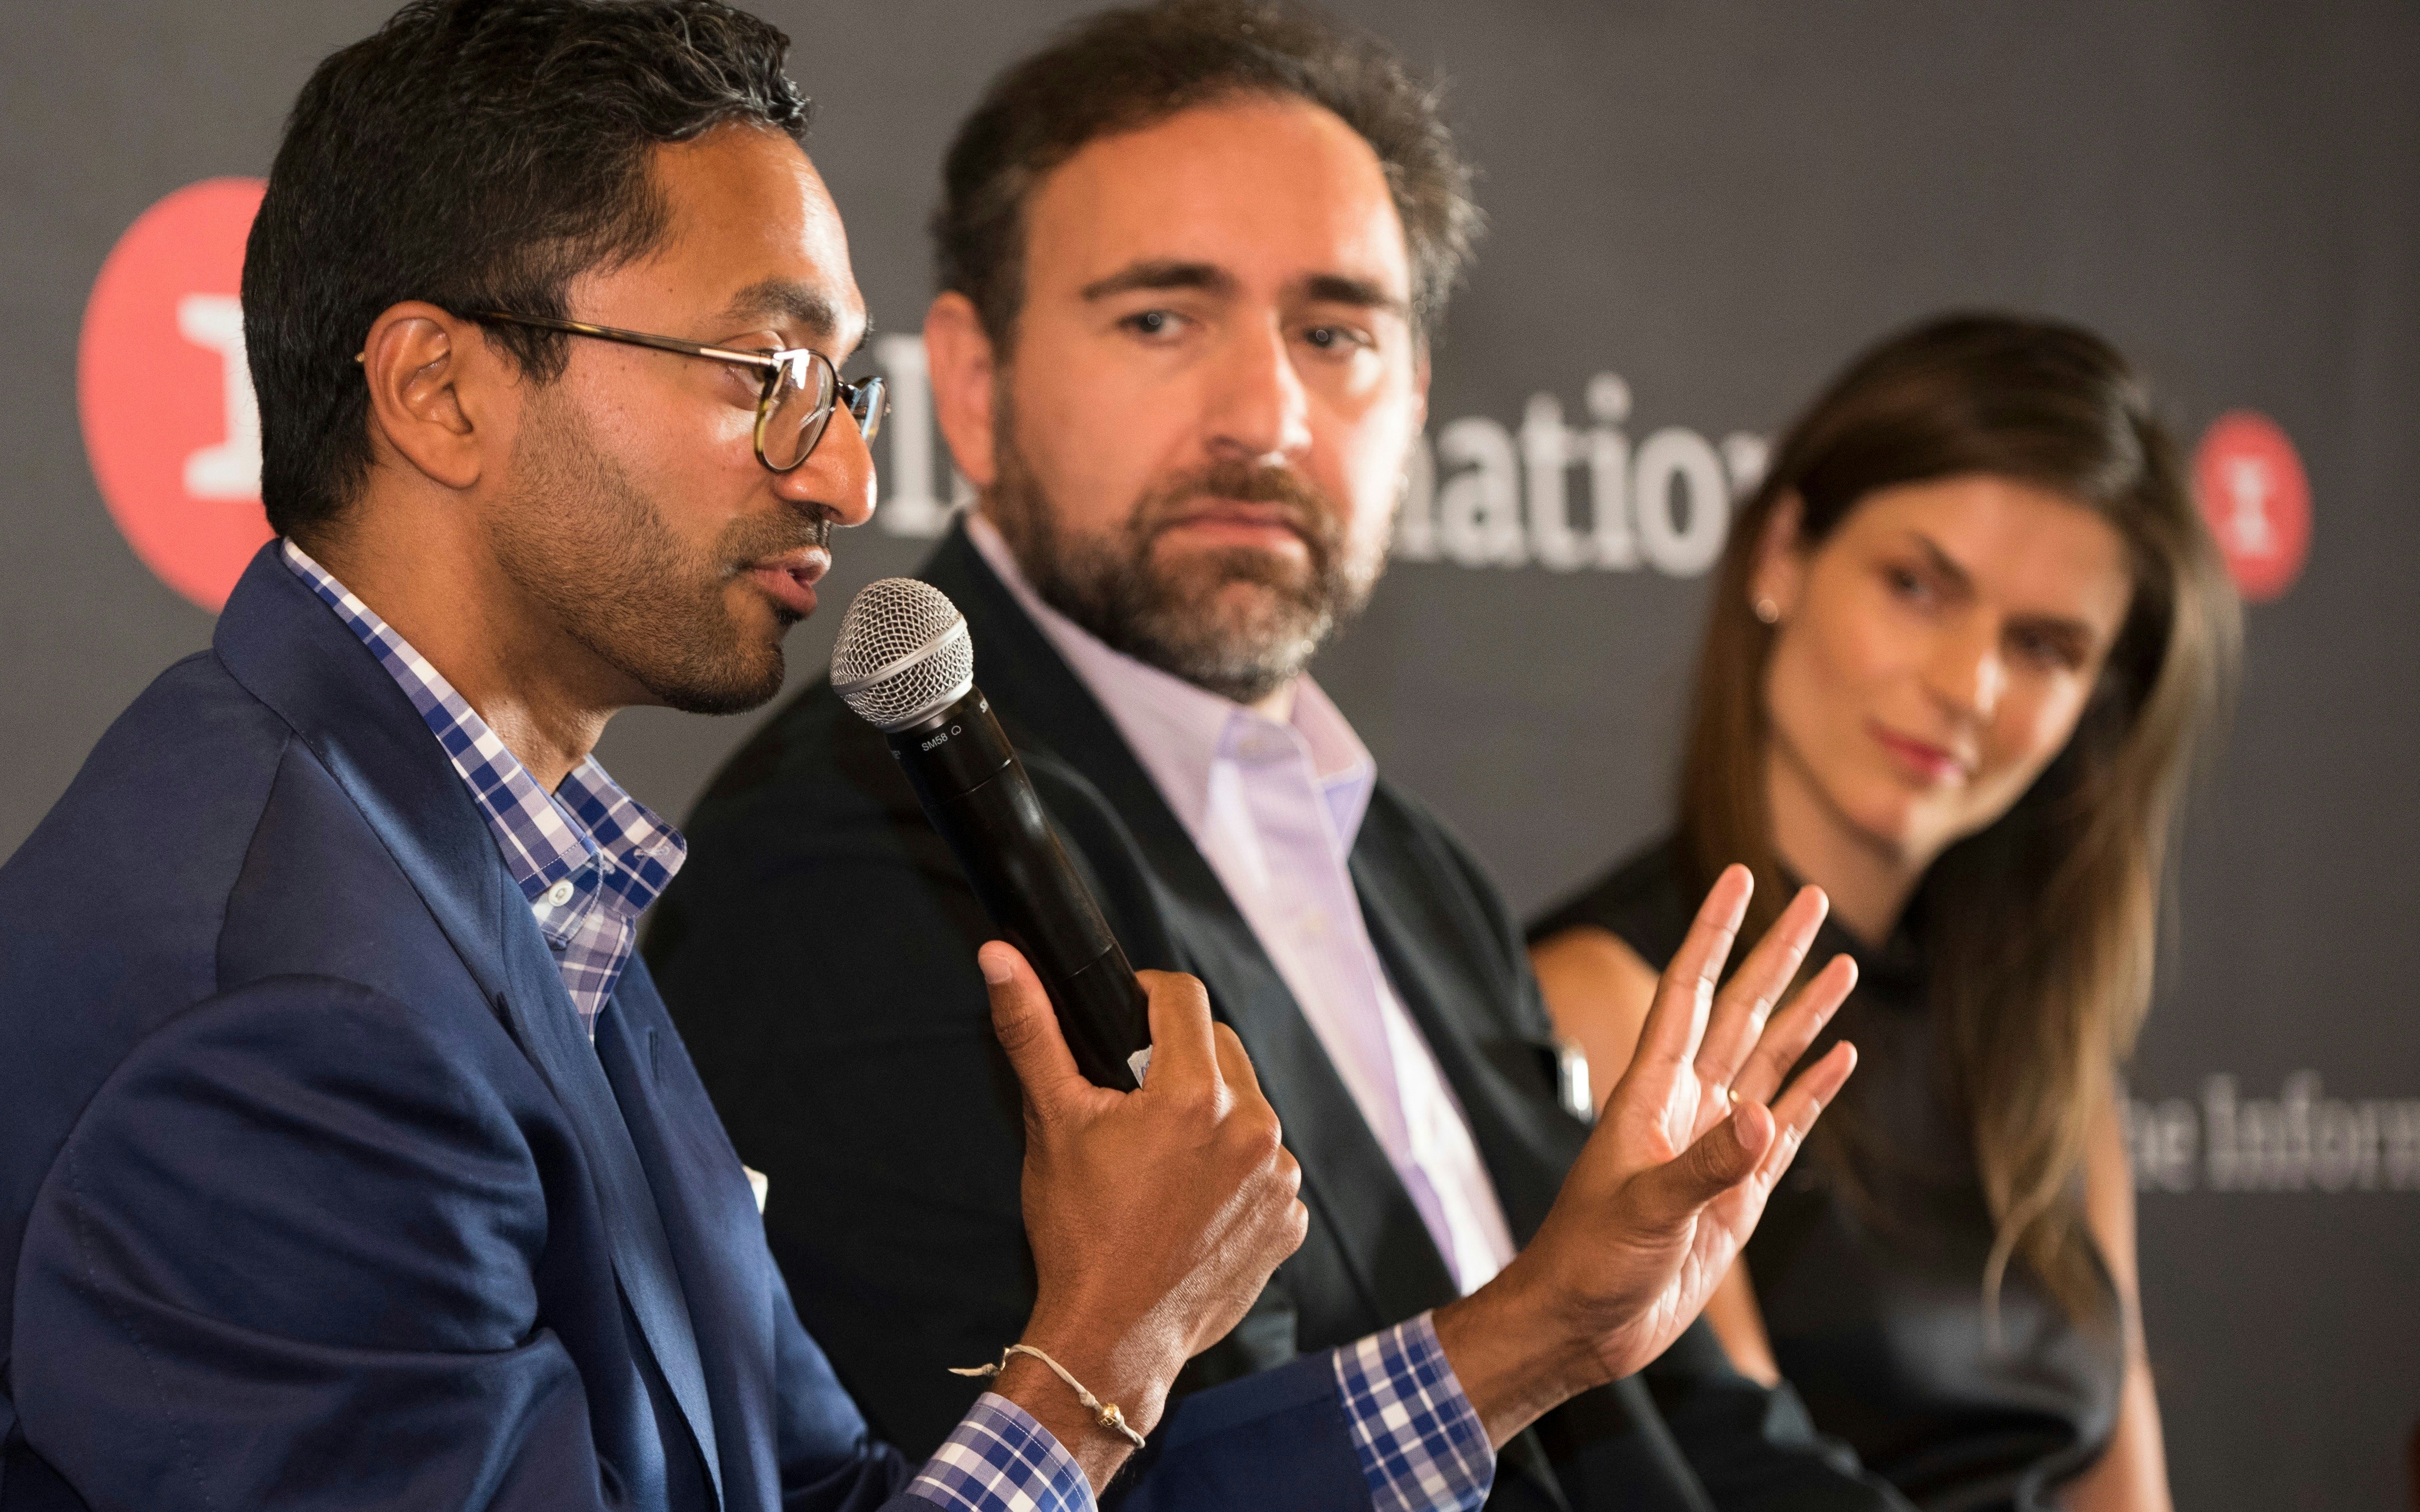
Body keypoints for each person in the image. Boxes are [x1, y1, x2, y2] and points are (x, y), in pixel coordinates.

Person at [0, 5, 1321, 1507]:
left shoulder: (513, 874)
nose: (849, 472)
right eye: (767, 370)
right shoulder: (290, 1016)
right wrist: (1096, 1365)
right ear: (439, 391)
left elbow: (814, 1492)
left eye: (841, 385)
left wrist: (1546, 1331)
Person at [644, 3, 1898, 1507]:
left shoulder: (1414, 864)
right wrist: (1531, 1332)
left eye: (1337, 333)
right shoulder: (855, 852)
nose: (1267, 415)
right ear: (974, 385)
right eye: (1161, 320)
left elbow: (1667, 1415)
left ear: (1418, 397)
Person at [1527, 313, 2241, 1512]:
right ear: (1782, 556)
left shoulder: (2049, 1066)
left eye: (2045, 647)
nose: (1968, 685)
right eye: (1917, 587)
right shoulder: (1609, 1003)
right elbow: (1738, 1480)